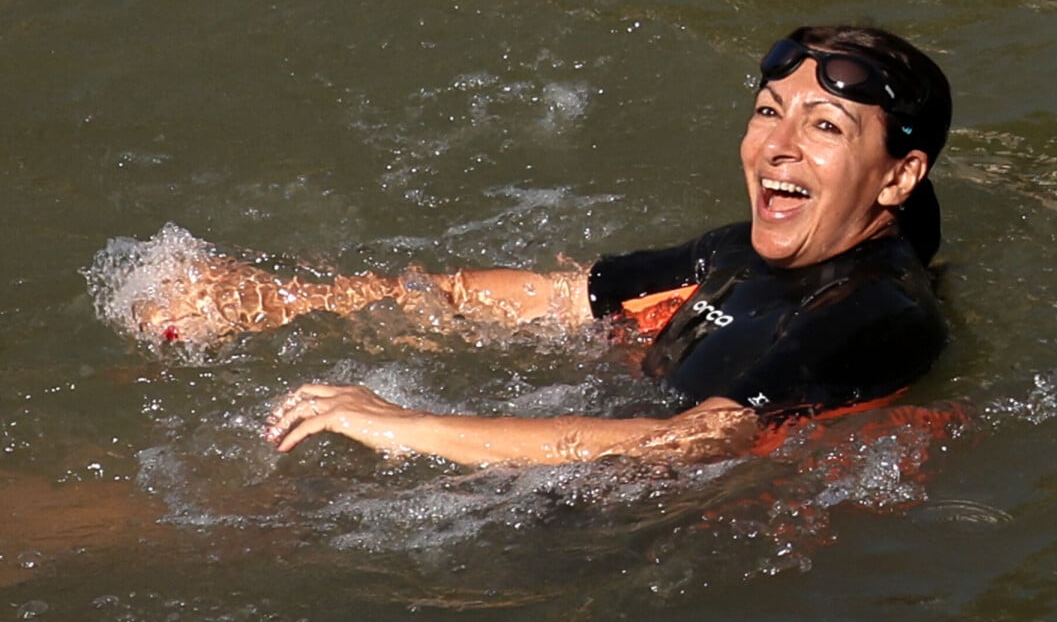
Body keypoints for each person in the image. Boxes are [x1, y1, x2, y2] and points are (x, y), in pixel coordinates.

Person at [136, 25, 954, 467]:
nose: (777, 145)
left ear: (896, 178)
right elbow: (555, 295)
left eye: (824, 128)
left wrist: (405, 425)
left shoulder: (872, 309)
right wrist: (289, 302)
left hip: (642, 542)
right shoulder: (740, 251)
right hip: (557, 474)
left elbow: (698, 445)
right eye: (770, 111)